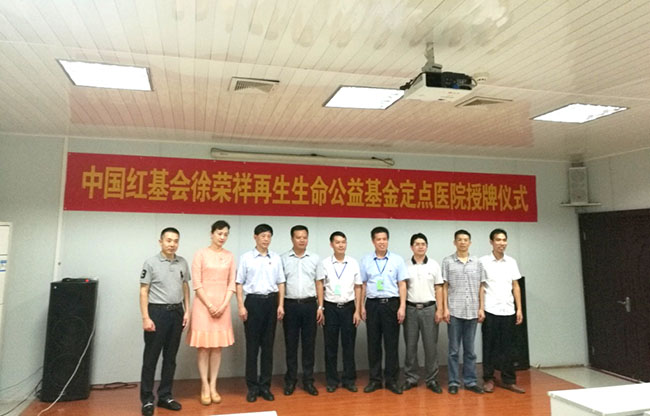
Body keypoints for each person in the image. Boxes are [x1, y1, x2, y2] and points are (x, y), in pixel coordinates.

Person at [139, 227, 190, 416]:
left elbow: (185, 287)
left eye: (176, 241)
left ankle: (165, 396)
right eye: (168, 240)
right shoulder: (150, 263)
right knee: (150, 359)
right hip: (157, 313)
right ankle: (147, 400)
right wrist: (146, 317)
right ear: (161, 241)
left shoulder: (182, 262)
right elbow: (143, 291)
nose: (172, 244)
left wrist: (187, 311)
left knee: (170, 358)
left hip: (176, 313)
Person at [186, 220, 236, 405]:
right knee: (203, 348)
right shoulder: (200, 254)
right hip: (203, 306)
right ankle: (204, 386)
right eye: (219, 233)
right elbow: (196, 284)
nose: (222, 237)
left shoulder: (230, 256)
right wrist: (209, 305)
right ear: (211, 234)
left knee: (217, 348)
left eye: (225, 234)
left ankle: (214, 385)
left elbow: (232, 283)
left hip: (223, 306)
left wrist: (223, 305)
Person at [235, 223, 285, 403]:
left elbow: (281, 282)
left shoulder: (276, 258)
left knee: (268, 347)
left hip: (271, 302)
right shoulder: (246, 258)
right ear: (255, 237)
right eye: (263, 236)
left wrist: (280, 305)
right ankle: (252, 387)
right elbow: (239, 283)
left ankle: (265, 386)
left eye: (269, 236)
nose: (266, 239)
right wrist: (241, 306)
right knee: (252, 347)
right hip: (253, 303)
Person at [359, 226, 408, 395]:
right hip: (372, 305)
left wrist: (402, 306)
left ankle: (392, 380)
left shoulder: (397, 260)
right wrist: (361, 306)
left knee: (391, 344)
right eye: (378, 239)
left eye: (384, 239)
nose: (382, 242)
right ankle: (375, 380)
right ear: (373, 241)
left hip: (391, 304)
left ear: (388, 240)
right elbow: (363, 285)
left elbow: (402, 284)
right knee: (373, 344)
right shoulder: (366, 260)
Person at [479, 228, 525, 394]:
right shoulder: (483, 261)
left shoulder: (511, 262)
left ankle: (509, 380)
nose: (502, 243)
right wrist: (480, 308)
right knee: (489, 347)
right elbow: (481, 286)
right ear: (491, 242)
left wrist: (519, 309)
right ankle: (488, 379)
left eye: (504, 240)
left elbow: (515, 286)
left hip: (508, 310)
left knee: (508, 347)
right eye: (498, 240)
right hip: (490, 309)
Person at [316, 231, 362, 393]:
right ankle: (332, 380)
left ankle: (349, 380)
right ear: (331, 244)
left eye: (343, 242)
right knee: (330, 346)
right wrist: (321, 307)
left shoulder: (353, 263)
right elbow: (320, 286)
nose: (341, 245)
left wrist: (357, 310)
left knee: (349, 346)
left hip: (349, 308)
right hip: (330, 308)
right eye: (337, 242)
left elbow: (358, 287)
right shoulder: (324, 263)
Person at [441, 229, 484, 395]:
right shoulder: (447, 261)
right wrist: (445, 308)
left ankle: (470, 381)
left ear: (470, 243)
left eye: (466, 240)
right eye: (459, 239)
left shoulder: (477, 262)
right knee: (453, 351)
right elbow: (444, 286)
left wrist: (481, 308)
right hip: (454, 311)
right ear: (455, 242)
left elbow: (481, 287)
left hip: (472, 311)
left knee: (470, 351)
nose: (463, 242)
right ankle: (453, 382)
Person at [402, 233, 444, 394]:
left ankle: (431, 379)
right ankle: (411, 378)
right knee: (410, 346)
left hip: (429, 309)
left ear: (426, 246)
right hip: (411, 309)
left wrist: (440, 309)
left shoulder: (434, 265)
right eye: (417, 244)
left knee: (430, 346)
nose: (420, 246)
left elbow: (439, 288)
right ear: (411, 247)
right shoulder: (405, 265)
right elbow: (402, 288)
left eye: (423, 244)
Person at [281, 225, 320, 396]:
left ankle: (308, 381)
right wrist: (280, 305)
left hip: (310, 305)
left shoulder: (315, 258)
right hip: (290, 305)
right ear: (292, 239)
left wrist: (320, 306)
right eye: (298, 237)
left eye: (305, 237)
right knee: (291, 345)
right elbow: (281, 284)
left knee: (309, 345)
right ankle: (290, 380)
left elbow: (319, 283)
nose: (302, 240)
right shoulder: (283, 259)